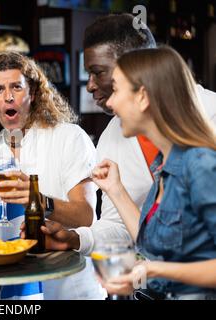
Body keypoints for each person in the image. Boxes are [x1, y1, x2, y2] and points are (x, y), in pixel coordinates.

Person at [35, 46, 216, 300]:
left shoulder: (201, 165)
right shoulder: (164, 166)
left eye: (117, 90)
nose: (109, 102)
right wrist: (116, 191)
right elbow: (148, 243)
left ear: (142, 97)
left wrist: (151, 270)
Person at [53, 13, 216, 257]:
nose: (90, 85)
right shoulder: (113, 136)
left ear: (139, 70)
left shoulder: (210, 119)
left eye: (99, 72)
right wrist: (77, 238)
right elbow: (128, 228)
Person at [0, 52, 106, 299]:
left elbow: (86, 217)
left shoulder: (69, 137)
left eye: (16, 87)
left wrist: (38, 200)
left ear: (33, 93)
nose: (8, 96)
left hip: (69, 288)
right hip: (14, 292)